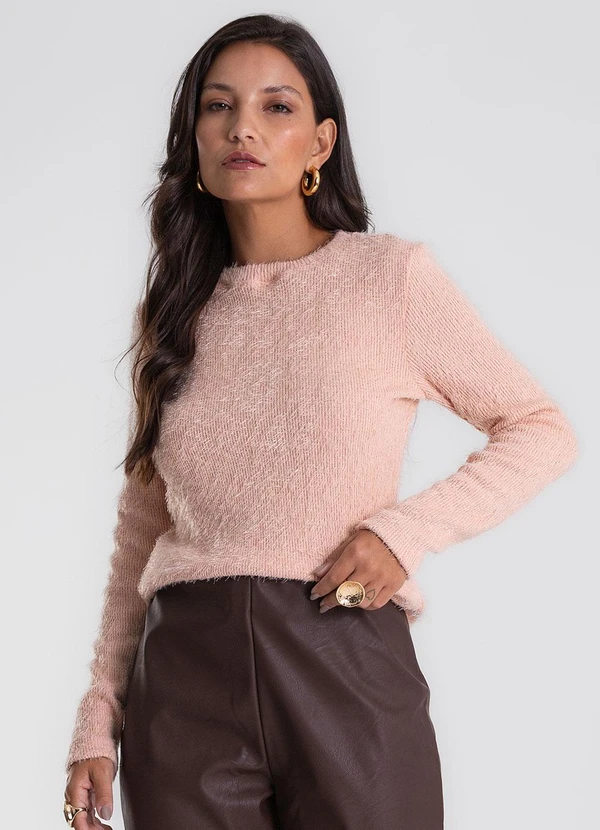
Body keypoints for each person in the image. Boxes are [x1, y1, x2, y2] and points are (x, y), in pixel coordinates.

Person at [62, 13, 578, 830]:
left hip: (343, 655)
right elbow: (143, 523)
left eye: (277, 107)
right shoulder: (172, 314)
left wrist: (404, 534)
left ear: (321, 143)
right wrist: (99, 715)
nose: (243, 128)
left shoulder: (389, 280)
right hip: (183, 681)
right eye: (218, 106)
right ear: (193, 137)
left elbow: (540, 427)